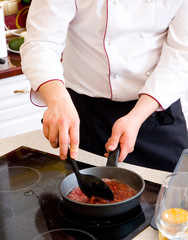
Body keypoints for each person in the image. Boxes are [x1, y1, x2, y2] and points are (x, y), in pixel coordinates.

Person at [20, 0, 188, 172]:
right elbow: (41, 43)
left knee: (174, 192)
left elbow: (182, 54)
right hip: (85, 115)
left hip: (155, 108)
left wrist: (137, 117)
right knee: (82, 193)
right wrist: (57, 100)